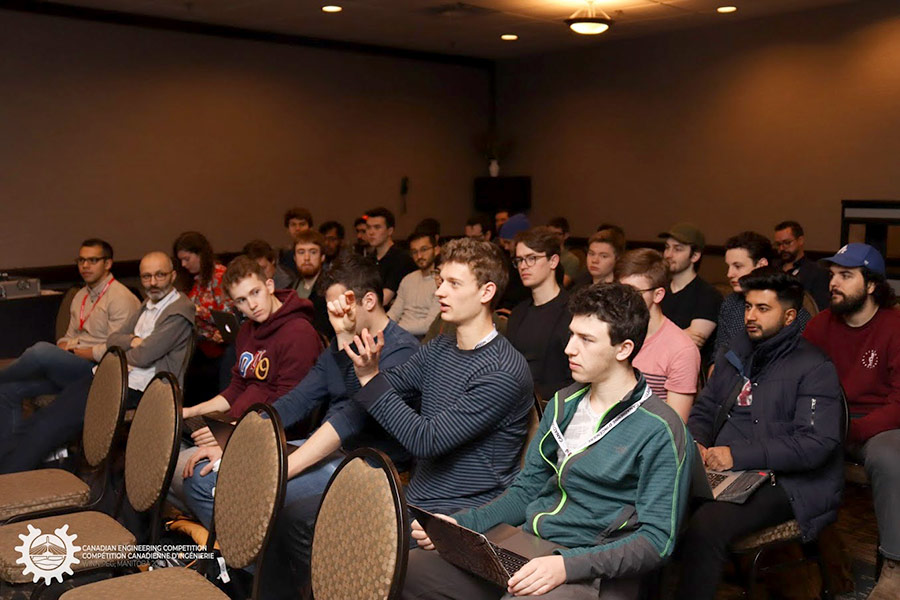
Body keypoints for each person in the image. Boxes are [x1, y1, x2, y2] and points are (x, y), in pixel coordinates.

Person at [403, 283, 694, 600]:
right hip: (531, 547)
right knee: (411, 569)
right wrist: (461, 526)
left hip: (591, 569)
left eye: (586, 339)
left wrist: (566, 566)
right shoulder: (563, 404)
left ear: (623, 349)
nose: (569, 348)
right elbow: (526, 491)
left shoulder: (660, 428)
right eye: (572, 335)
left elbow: (657, 540)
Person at [676, 271, 842, 600]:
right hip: (722, 468)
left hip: (787, 480)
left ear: (789, 316)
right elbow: (705, 408)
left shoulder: (815, 366)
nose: (750, 316)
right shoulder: (735, 353)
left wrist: (736, 456)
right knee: (656, 502)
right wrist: (697, 442)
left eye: (763, 308)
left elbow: (815, 445)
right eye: (749, 306)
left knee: (707, 525)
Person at [0, 252, 195, 474]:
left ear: (173, 276)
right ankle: (8, 471)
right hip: (112, 377)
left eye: (160, 275)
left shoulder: (179, 311)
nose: (153, 282)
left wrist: (122, 352)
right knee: (44, 418)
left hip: (142, 389)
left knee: (48, 425)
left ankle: (9, 478)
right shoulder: (148, 304)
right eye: (146, 276)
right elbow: (113, 339)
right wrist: (132, 341)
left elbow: (144, 356)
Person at [172, 256, 321, 506]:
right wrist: (191, 411)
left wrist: (232, 435)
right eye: (241, 300)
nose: (252, 305)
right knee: (165, 455)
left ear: (270, 285)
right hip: (237, 425)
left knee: (183, 472)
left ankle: (235, 526)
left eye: (255, 292)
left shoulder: (299, 333)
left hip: (273, 437)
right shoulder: (247, 332)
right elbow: (236, 388)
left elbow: (290, 406)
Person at [803, 243, 900, 598]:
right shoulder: (819, 326)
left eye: (846, 275)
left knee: (890, 457)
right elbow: (798, 379)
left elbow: (899, 402)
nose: (834, 283)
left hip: (879, 423)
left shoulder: (895, 326)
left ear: (871, 285)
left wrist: (850, 430)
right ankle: (812, 558)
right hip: (828, 418)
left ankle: (894, 569)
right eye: (832, 275)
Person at [0, 239, 140, 439]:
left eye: (93, 260)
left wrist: (75, 351)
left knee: (40, 351)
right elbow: (66, 338)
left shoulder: (121, 298)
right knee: (8, 390)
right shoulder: (80, 295)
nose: (85, 266)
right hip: (73, 367)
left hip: (100, 372)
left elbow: (115, 351)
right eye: (81, 260)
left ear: (108, 263)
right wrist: (67, 348)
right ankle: (11, 451)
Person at [616, 248, 699, 422]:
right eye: (620, 291)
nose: (624, 300)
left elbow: (674, 425)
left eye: (633, 292)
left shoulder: (681, 349)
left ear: (658, 294)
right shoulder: (613, 333)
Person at [506, 227, 573, 402]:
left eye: (532, 258)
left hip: (555, 406)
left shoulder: (573, 312)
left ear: (553, 261)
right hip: (516, 403)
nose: (523, 266)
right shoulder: (518, 312)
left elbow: (575, 379)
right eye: (519, 260)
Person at [173, 231, 232, 400]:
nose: (183, 264)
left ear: (200, 254)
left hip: (219, 348)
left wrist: (196, 310)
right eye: (181, 260)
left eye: (187, 259)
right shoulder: (194, 280)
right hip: (198, 344)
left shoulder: (219, 276)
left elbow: (227, 315)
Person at [715, 231, 788, 357]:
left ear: (761, 265)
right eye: (729, 266)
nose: (729, 274)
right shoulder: (730, 303)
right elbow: (719, 354)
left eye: (738, 266)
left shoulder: (785, 301)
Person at [658, 223, 722, 364]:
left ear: (695, 256)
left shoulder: (708, 295)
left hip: (685, 370)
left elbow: (691, 345)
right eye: (667, 247)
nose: (668, 255)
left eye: (677, 249)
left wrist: (653, 336)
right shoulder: (658, 290)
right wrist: (680, 334)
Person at [387, 231, 441, 337]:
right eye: (414, 252)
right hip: (398, 334)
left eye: (424, 249)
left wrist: (395, 329)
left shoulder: (440, 282)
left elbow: (430, 324)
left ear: (436, 250)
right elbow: (395, 312)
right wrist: (382, 325)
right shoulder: (408, 279)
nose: (419, 256)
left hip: (423, 337)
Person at [365, 206, 416, 306]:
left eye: (377, 227)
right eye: (368, 227)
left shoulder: (401, 259)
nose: (371, 232)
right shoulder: (368, 260)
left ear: (390, 231)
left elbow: (384, 299)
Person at [774, 220, 830, 310]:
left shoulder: (817, 272)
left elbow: (820, 309)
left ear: (800, 240)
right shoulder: (772, 269)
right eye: (778, 244)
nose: (782, 248)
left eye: (787, 243)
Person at [291, 229, 331, 338]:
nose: (306, 258)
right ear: (294, 258)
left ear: (322, 257)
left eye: (313, 252)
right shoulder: (289, 291)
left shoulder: (331, 289)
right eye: (301, 252)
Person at [547, 217, 585, 288]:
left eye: (557, 234)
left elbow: (562, 284)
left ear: (566, 235)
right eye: (549, 234)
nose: (552, 237)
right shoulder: (542, 254)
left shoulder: (571, 260)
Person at [278, 206, 313, 275]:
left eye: (302, 224)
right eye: (293, 225)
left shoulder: (317, 253)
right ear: (287, 229)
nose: (297, 228)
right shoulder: (285, 256)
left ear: (310, 228)